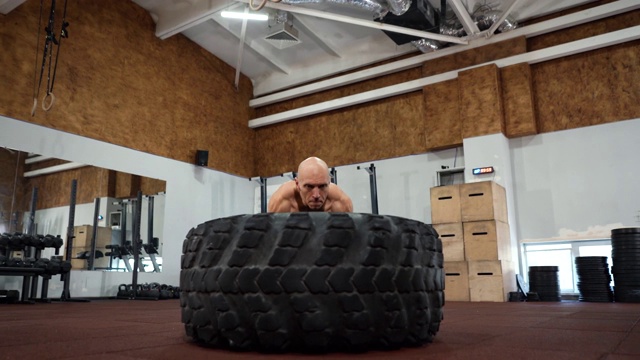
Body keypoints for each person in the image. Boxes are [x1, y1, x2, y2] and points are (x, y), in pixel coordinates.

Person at [268, 157, 353, 213]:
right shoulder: (281, 201)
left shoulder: (340, 202)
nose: (316, 195)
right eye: (309, 186)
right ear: (297, 184)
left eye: (322, 186)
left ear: (329, 182)